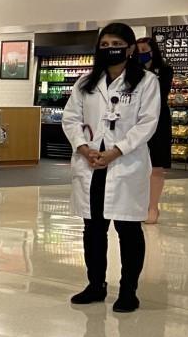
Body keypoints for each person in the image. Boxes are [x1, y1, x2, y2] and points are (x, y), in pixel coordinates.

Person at [63, 23, 160, 313]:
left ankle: (128, 290)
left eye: (116, 44)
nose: (110, 49)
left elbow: (147, 122)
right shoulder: (85, 83)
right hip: (92, 163)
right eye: (104, 44)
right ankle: (96, 285)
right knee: (93, 228)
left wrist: (116, 151)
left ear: (130, 48)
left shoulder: (146, 82)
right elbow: (71, 119)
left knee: (128, 229)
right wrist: (84, 148)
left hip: (125, 164)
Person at [135, 34, 173, 224]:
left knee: (156, 165)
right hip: (136, 119)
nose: (141, 54)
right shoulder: (132, 71)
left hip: (159, 120)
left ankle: (153, 207)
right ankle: (139, 205)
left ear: (153, 51)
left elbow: (161, 94)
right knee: (137, 165)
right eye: (138, 51)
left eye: (144, 51)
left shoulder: (165, 70)